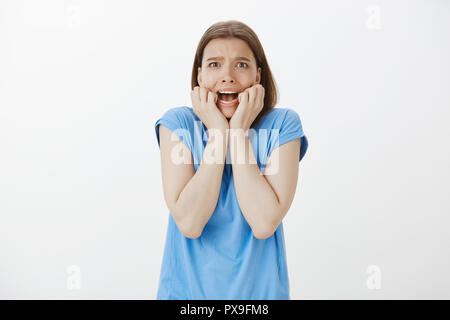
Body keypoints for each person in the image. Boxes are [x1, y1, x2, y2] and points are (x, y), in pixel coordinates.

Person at [154, 20, 309, 300]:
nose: (227, 76)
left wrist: (236, 132)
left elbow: (263, 223)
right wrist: (217, 132)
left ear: (257, 76)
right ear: (199, 77)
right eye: (214, 65)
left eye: (241, 64)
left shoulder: (284, 124)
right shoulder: (177, 123)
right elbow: (190, 222)